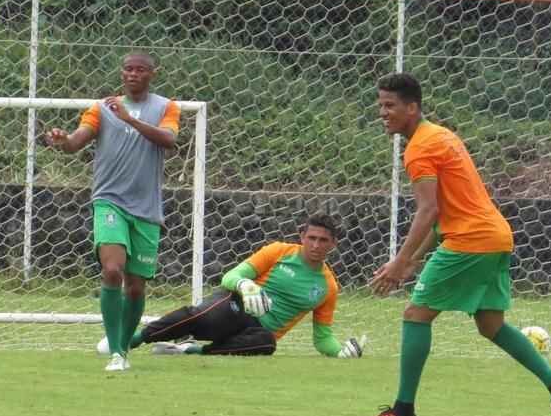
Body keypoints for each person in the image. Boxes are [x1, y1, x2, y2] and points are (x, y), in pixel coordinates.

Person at [366, 73, 551, 416]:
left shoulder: (419, 148)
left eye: (390, 106)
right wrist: (411, 260)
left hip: (471, 240)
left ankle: (403, 409)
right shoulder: (442, 135)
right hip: (496, 236)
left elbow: (428, 210)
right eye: (380, 106)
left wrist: (401, 262)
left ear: (412, 107)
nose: (383, 113)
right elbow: (443, 212)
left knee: (416, 315)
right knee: (491, 325)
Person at [47, 52, 179, 372]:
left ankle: (123, 344)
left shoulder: (166, 107)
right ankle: (117, 353)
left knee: (135, 286)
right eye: (128, 69)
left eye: (140, 70)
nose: (132, 74)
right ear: (121, 73)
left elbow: (169, 139)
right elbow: (76, 142)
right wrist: (62, 141)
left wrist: (130, 120)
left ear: (152, 74)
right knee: (111, 270)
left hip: (146, 209)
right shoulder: (102, 108)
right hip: (109, 201)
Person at [99, 214, 366, 359]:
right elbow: (230, 276)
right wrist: (246, 286)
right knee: (204, 315)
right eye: (312, 238)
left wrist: (340, 352)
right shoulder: (278, 251)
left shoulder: (328, 287)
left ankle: (190, 350)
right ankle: (131, 340)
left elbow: (322, 338)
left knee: (266, 345)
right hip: (238, 307)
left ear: (333, 244)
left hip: (258, 332)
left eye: (323, 240)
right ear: (302, 236)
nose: (316, 245)